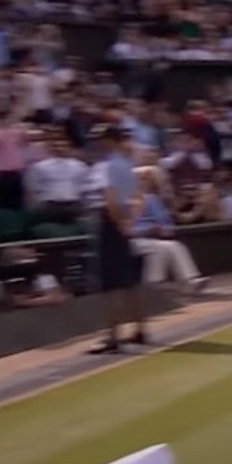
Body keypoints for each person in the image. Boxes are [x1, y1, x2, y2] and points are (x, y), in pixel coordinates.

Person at [88, 125, 146, 353]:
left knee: (113, 284)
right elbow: (139, 198)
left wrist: (121, 222)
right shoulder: (125, 164)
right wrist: (130, 221)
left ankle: (113, 336)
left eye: (100, 138)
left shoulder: (108, 165)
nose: (97, 143)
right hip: (123, 223)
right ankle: (140, 329)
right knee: (128, 281)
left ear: (110, 140)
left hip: (110, 224)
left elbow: (110, 199)